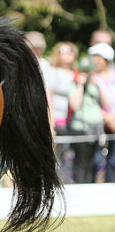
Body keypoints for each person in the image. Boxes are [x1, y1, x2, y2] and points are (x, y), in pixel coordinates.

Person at [68, 43, 112, 183]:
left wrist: (98, 83)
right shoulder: (75, 82)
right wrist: (80, 84)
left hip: (96, 129)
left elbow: (108, 104)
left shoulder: (97, 82)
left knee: (94, 163)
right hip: (81, 128)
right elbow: (75, 105)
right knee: (81, 164)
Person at [47, 42, 79, 181]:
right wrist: (50, 121)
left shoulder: (76, 74)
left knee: (69, 155)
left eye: (70, 51)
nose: (67, 54)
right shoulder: (53, 72)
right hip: (57, 120)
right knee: (56, 155)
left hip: (74, 121)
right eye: (63, 51)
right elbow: (49, 96)